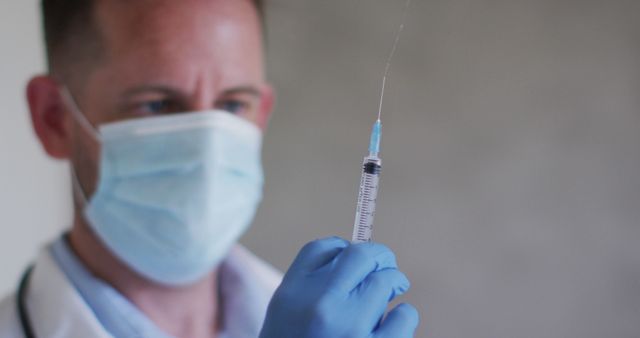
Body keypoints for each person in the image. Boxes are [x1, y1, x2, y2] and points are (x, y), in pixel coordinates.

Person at [0, 0, 419, 337]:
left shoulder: (331, 323)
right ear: (53, 117)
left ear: (261, 114)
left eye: (232, 104)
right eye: (158, 105)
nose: (206, 147)